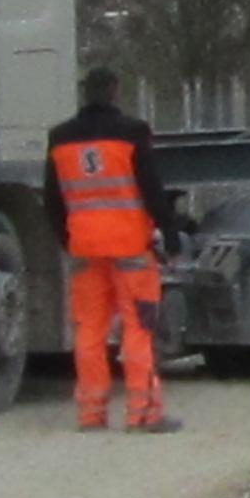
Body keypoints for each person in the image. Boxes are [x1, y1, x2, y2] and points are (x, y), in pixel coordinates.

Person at [41, 67, 179, 432]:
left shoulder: (59, 138)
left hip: (85, 248)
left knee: (89, 330)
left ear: (85, 93)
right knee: (138, 327)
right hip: (130, 246)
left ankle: (91, 414)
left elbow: (52, 203)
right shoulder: (133, 133)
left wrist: (68, 240)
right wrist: (171, 231)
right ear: (115, 92)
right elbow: (152, 189)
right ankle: (143, 414)